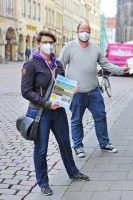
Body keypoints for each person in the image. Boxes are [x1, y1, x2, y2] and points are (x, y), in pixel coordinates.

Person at [21, 31, 90, 196]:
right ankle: (43, 183)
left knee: (65, 143)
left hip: (58, 111)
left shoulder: (57, 64)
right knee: (41, 149)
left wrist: (70, 91)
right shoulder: (31, 65)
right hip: (40, 112)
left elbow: (61, 85)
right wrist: (46, 103)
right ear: (38, 43)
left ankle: (73, 172)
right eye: (45, 41)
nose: (48, 45)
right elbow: (25, 91)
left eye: (51, 42)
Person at [59, 22, 128, 158]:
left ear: (90, 32)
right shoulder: (69, 47)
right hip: (77, 93)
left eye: (87, 30)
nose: (85, 33)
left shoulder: (96, 49)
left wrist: (121, 70)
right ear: (77, 32)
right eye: (82, 30)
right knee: (76, 120)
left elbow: (106, 64)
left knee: (100, 116)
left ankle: (104, 143)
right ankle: (78, 147)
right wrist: (64, 89)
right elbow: (60, 65)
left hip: (93, 91)